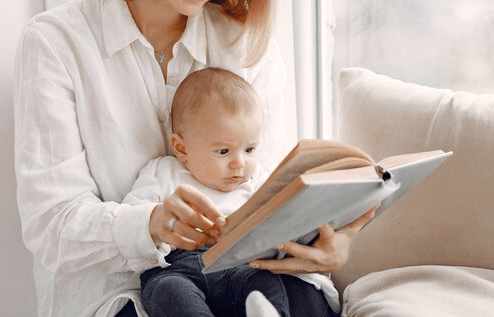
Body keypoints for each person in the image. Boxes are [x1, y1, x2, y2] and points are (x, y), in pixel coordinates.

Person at [13, 0, 374, 317]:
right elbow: (51, 225)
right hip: (122, 289)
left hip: (249, 273)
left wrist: (328, 243)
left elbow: (271, 189)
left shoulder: (246, 45)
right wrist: (150, 224)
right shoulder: (56, 44)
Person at [124, 67, 338, 317]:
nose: (240, 163)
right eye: (224, 151)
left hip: (239, 264)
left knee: (265, 281)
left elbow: (282, 217)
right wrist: (160, 222)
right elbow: (133, 218)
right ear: (182, 148)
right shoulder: (160, 171)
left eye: (249, 150)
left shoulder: (257, 181)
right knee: (168, 292)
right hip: (177, 267)